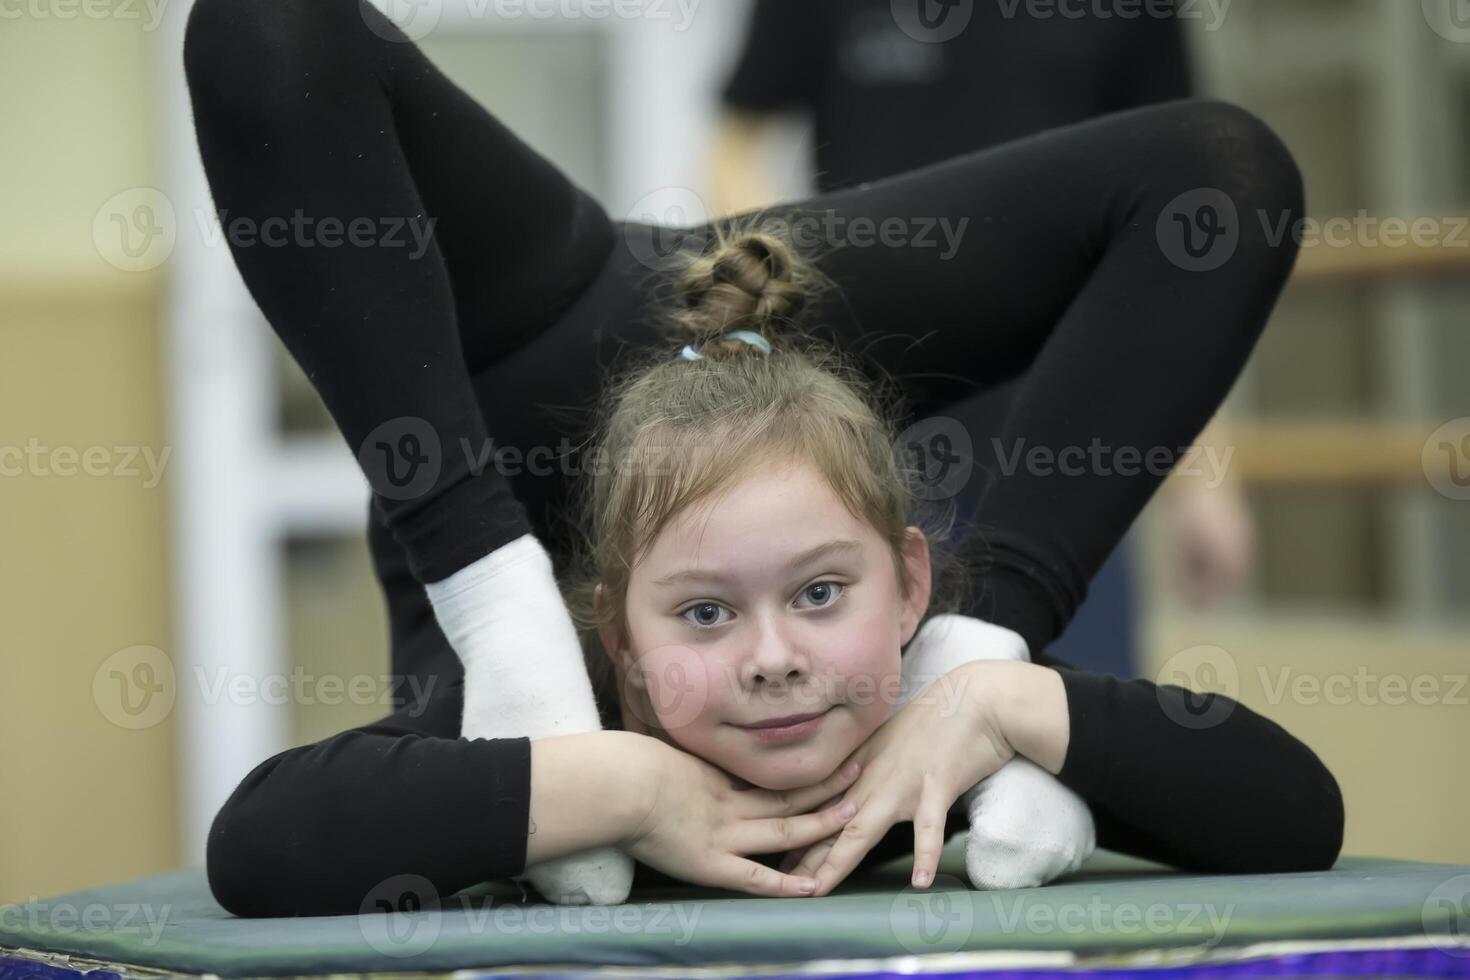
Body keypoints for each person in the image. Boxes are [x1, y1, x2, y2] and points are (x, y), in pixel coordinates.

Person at [180, 0, 1342, 918]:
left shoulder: (899, 699)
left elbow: (1297, 814)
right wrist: (621, 778)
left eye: (826, 595)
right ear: (620, 642)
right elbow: (261, 841)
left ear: (909, 592)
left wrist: (993, 686)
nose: (776, 661)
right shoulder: (587, 701)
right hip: (546, 400)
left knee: (1227, 172)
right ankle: (498, 581)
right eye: (704, 620)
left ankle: (903, 616)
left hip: (748, 388)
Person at [710, 0, 1256, 678]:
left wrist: (1207, 478)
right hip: (874, 412)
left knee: (1062, 714)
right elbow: (735, 150)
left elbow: (1180, 222)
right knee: (868, 709)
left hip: (1073, 420)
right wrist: (792, 305)